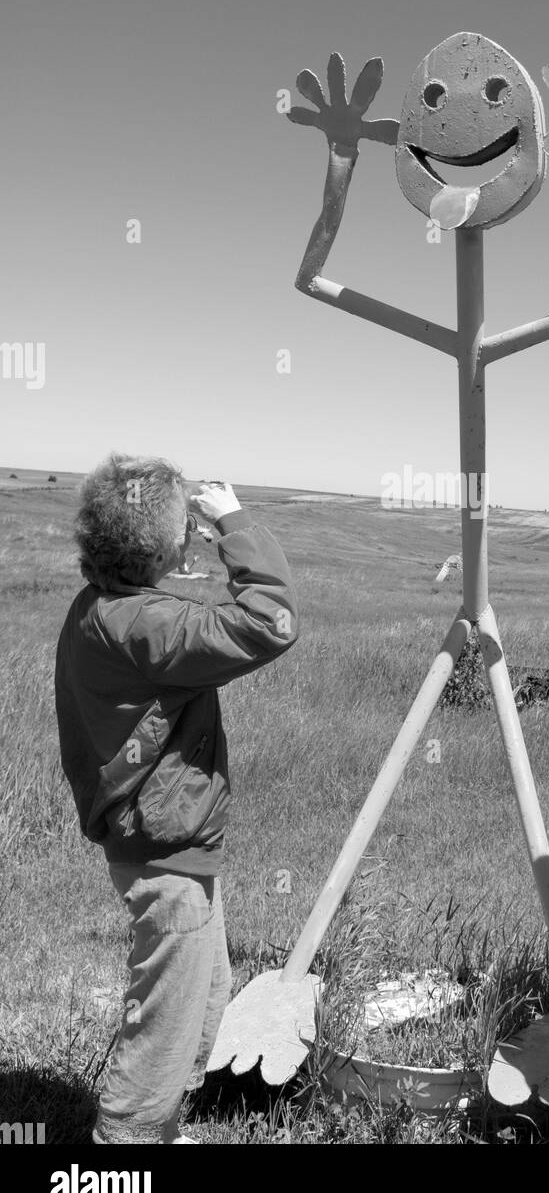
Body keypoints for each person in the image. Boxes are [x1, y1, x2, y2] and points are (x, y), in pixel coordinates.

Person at [55, 455, 299, 1144]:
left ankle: (162, 1127)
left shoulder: (100, 609)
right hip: (165, 852)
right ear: (166, 548)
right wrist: (233, 524)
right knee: (165, 1020)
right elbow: (272, 620)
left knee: (204, 995)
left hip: (161, 842)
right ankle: (122, 1148)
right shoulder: (150, 627)